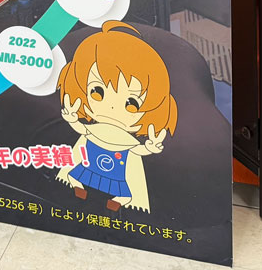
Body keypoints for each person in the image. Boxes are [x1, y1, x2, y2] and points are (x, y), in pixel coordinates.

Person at [56, 21, 177, 212]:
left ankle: (118, 201)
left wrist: (150, 147)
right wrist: (72, 117)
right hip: (89, 166)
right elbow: (81, 128)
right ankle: (78, 188)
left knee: (123, 192)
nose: (112, 106)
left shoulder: (126, 141)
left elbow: (137, 151)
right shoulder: (93, 129)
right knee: (75, 175)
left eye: (132, 103)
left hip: (116, 174)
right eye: (97, 92)